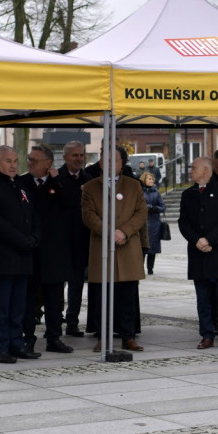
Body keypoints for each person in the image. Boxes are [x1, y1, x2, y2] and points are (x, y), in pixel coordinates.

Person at [0, 145, 41, 363]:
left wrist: (34, 236)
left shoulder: (20, 184)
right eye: (8, 161)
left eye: (15, 161)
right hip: (2, 256)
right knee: (1, 307)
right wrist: (22, 241)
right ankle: (1, 347)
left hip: (23, 256)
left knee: (18, 306)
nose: (13, 165)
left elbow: (32, 213)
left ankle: (17, 344)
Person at [82, 147, 148, 353]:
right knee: (103, 296)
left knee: (127, 295)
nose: (111, 164)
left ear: (122, 163)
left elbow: (141, 212)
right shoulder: (91, 187)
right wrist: (110, 232)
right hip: (102, 247)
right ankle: (103, 336)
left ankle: (128, 336)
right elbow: (88, 215)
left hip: (127, 246)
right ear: (100, 164)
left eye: (115, 160)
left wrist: (124, 232)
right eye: (106, 161)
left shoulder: (134, 185)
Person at [178, 157, 218, 350]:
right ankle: (207, 335)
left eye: (193, 167)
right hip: (199, 253)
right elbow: (183, 222)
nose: (190, 171)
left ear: (205, 170)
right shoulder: (188, 194)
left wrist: (209, 239)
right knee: (203, 298)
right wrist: (197, 240)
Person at [19, 144, 73, 355]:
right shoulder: (22, 183)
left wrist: (56, 180)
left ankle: (54, 337)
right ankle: (28, 338)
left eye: (34, 160)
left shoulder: (59, 183)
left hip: (55, 251)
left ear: (48, 163)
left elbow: (70, 204)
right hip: (31, 250)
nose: (29, 163)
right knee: (29, 299)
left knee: (54, 299)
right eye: (29, 159)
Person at [57, 140, 92, 337]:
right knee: (56, 285)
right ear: (65, 157)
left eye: (81, 155)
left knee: (77, 285)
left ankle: (72, 322)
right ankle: (55, 321)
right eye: (75, 155)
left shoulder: (88, 179)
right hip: (60, 241)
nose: (79, 159)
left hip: (80, 241)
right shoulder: (56, 178)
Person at [142, 172, 165, 275]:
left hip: (155, 223)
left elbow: (163, 207)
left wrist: (155, 208)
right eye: (149, 179)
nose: (151, 180)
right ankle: (139, 268)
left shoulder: (156, 192)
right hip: (143, 222)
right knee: (142, 247)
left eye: (152, 179)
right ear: (144, 180)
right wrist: (148, 207)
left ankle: (150, 268)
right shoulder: (139, 191)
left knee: (153, 247)